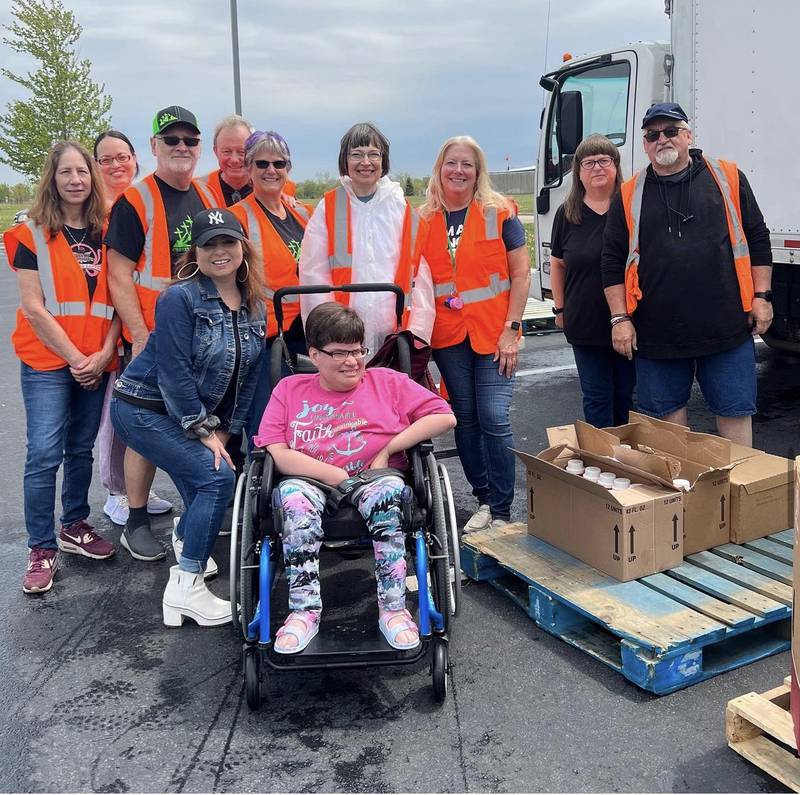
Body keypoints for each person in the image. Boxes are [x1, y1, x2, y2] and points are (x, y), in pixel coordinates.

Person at [254, 302, 455, 653]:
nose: (353, 361)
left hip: (376, 477)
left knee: (391, 492)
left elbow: (444, 416)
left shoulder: (388, 382)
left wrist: (391, 445)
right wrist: (334, 474)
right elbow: (277, 450)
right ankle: (304, 613)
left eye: (358, 350)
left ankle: (393, 610)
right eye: (340, 353)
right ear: (314, 355)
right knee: (292, 500)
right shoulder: (288, 391)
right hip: (311, 480)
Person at [111, 208, 267, 627]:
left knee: (216, 477)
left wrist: (230, 433)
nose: (219, 251)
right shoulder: (179, 298)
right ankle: (186, 588)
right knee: (215, 480)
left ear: (242, 247)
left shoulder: (256, 305)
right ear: (195, 252)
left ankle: (186, 539)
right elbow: (173, 371)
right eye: (209, 244)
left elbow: (248, 377)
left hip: (189, 414)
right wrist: (201, 429)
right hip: (143, 408)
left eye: (227, 242)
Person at [601, 103, 773, 446]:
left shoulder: (727, 178)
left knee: (736, 415)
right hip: (657, 332)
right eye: (653, 135)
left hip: (726, 327)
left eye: (671, 131)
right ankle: (680, 499)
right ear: (645, 144)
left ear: (688, 135)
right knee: (668, 433)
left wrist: (762, 297)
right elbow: (611, 259)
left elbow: (757, 237)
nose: (662, 139)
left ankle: (738, 495)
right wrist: (619, 318)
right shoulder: (628, 194)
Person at [4, 141, 120, 594]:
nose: (75, 180)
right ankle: (41, 548)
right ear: (51, 180)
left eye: (82, 172)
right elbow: (34, 308)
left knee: (80, 449)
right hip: (50, 361)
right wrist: (76, 358)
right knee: (44, 455)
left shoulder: (107, 231)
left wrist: (104, 354)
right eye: (66, 172)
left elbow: (115, 300)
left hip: (96, 359)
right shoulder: (30, 234)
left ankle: (74, 526)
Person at [106, 105, 216, 561]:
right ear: (153, 147)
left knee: (195, 425)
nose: (181, 148)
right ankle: (135, 520)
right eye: (171, 140)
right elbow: (118, 274)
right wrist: (138, 334)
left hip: (200, 336)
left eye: (189, 140)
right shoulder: (135, 200)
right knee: (146, 432)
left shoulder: (208, 197)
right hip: (153, 339)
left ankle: (196, 517)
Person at [418, 135, 530, 534]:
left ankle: (501, 511)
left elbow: (521, 275)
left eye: (467, 164)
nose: (459, 171)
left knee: (494, 417)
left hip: (495, 334)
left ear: (478, 171)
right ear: (440, 168)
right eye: (452, 163)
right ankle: (483, 499)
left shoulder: (500, 213)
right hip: (449, 337)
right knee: (464, 418)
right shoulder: (423, 219)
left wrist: (512, 329)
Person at [298, 122, 435, 358]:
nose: (366, 162)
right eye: (357, 154)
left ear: (384, 161)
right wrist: (328, 329)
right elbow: (313, 275)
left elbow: (418, 274)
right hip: (342, 335)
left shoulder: (399, 206)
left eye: (374, 154)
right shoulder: (328, 207)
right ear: (345, 160)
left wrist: (416, 331)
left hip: (393, 333)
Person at [93, 129, 174, 526]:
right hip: (114, 330)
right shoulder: (92, 212)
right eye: (106, 159)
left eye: (121, 156)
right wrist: (136, 334)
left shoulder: (140, 202)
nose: (115, 165)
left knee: (140, 418)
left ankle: (135, 488)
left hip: (128, 328)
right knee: (120, 420)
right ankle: (116, 491)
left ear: (135, 158)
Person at [230, 130, 312, 443]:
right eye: (262, 163)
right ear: (249, 168)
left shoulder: (303, 213)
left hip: (305, 332)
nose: (271, 170)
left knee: (308, 418)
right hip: (263, 335)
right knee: (268, 422)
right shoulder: (237, 218)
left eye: (279, 163)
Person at [549, 134, 635, 428]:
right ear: (579, 172)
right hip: (584, 320)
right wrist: (560, 310)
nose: (597, 167)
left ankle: (630, 460)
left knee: (627, 396)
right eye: (589, 162)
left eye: (604, 160)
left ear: (616, 166)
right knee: (597, 397)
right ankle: (604, 462)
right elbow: (558, 265)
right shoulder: (568, 213)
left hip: (630, 319)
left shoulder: (631, 209)